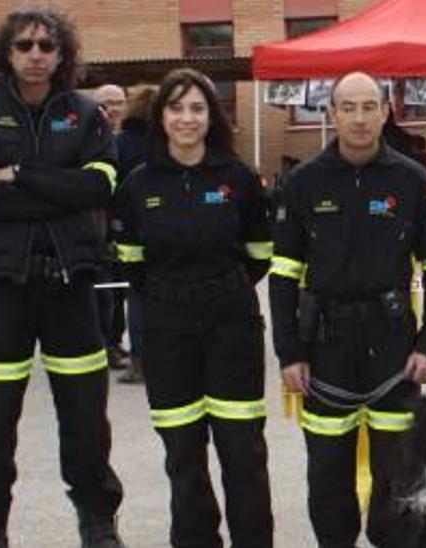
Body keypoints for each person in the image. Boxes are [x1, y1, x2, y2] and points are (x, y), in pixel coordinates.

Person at [0, 7, 125, 547]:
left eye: (46, 46)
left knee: (86, 424)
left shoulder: (86, 114)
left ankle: (97, 524)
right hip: (0, 285)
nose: (34, 54)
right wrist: (60, 190)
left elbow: (100, 187)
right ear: (6, 50)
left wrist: (21, 175)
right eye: (24, 45)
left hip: (70, 284)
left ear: (61, 53)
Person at [269, 72, 426, 548]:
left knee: (397, 477)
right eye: (347, 107)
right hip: (325, 346)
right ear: (330, 113)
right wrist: (289, 353)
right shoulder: (303, 182)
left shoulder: (412, 180)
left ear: (385, 112)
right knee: (328, 475)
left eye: (368, 106)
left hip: (395, 345)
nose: (358, 118)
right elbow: (284, 275)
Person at [111, 68, 274, 548]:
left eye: (197, 108)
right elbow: (133, 263)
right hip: (166, 328)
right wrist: (174, 295)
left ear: (212, 116)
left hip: (232, 325)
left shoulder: (238, 179)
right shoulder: (138, 185)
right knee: (183, 453)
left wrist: (220, 289)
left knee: (241, 451)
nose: (187, 118)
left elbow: (260, 255)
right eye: (176, 107)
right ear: (160, 116)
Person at [112, 84, 155, 385]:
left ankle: (139, 360)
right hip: (165, 227)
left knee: (135, 296)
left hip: (128, 230)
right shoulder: (164, 143)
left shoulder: (118, 144)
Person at [91, 83, 130, 373]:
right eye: (106, 102)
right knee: (102, 291)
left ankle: (114, 340)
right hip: (96, 228)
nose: (113, 108)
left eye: (118, 101)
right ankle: (103, 343)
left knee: (120, 291)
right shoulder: (89, 139)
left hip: (125, 226)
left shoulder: (130, 140)